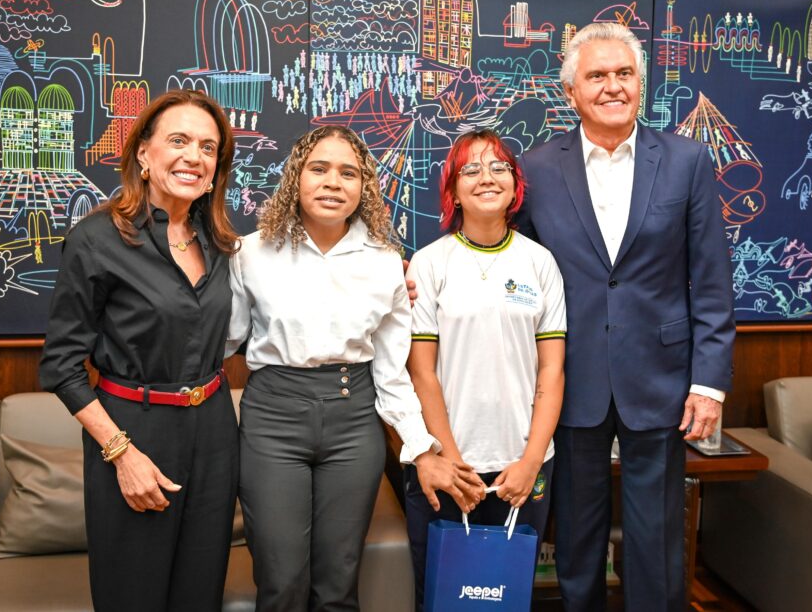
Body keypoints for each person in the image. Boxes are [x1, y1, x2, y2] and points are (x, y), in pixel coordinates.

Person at [515, 22, 735, 611]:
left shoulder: (687, 161)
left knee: (656, 541)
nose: (613, 86)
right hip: (570, 380)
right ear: (571, 92)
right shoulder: (535, 168)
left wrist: (709, 384)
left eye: (624, 74)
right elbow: (514, 268)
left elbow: (712, 281)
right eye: (597, 76)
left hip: (662, 381)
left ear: (640, 83)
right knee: (576, 538)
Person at [225, 125, 482, 611]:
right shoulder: (250, 253)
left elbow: (391, 373)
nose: (332, 182)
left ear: (364, 187)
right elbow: (226, 340)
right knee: (281, 580)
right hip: (273, 421)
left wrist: (420, 446)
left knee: (338, 583)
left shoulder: (385, 262)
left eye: (348, 173)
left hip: (353, 424)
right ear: (295, 178)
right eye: (318, 169)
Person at [39, 89, 240, 611]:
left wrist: (391, 281)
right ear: (144, 153)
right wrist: (120, 453)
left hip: (215, 433)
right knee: (133, 596)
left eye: (208, 147)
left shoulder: (220, 241)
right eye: (179, 141)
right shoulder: (96, 238)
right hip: (133, 433)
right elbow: (61, 366)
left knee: (201, 594)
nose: (194, 156)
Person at [404, 128, 566, 610]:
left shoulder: (540, 263)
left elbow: (552, 371)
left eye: (499, 168)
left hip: (523, 466)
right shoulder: (429, 264)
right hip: (447, 466)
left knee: (504, 595)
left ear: (516, 186)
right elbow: (422, 374)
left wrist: (531, 461)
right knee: (443, 595)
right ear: (453, 191)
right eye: (470, 170)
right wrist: (453, 462)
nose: (487, 177)